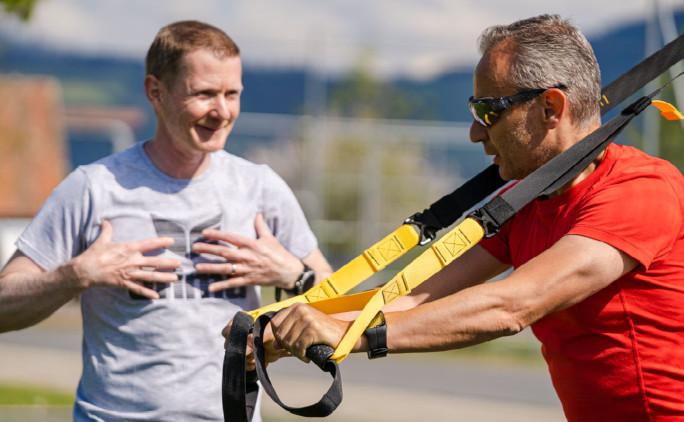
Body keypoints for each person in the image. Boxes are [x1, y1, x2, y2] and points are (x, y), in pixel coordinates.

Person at [260, 14, 684, 421]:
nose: (476, 132)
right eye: (473, 112)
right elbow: (415, 298)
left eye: (490, 111)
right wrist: (277, 333)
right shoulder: (526, 202)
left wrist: (350, 336)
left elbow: (513, 304)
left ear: (551, 108)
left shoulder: (640, 190)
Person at [0, 20, 332, 422]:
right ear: (155, 92)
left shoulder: (259, 187)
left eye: (232, 94)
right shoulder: (94, 188)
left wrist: (292, 274)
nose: (222, 111)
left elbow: (330, 306)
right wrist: (75, 275)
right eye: (205, 94)